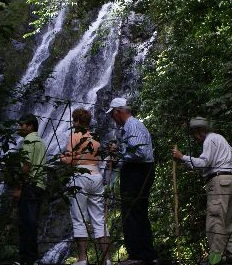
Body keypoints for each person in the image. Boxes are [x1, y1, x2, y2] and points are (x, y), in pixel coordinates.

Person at [172, 117, 232, 265]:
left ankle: (215, 260)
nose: (195, 138)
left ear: (199, 132)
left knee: (215, 222)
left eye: (194, 135)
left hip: (218, 182)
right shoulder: (220, 138)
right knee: (227, 222)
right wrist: (226, 169)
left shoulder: (209, 140)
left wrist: (182, 157)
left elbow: (204, 162)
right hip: (231, 181)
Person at [106, 97, 158, 265]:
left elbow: (139, 153)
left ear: (118, 112)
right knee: (139, 212)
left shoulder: (132, 125)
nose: (112, 119)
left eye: (112, 115)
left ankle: (136, 255)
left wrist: (120, 155)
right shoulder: (135, 124)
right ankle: (146, 253)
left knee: (131, 212)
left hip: (137, 172)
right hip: (142, 171)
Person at [60, 108, 111, 265]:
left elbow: (71, 161)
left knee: (79, 218)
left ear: (76, 121)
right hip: (96, 176)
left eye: (73, 121)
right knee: (99, 219)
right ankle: (107, 260)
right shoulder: (95, 138)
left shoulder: (75, 136)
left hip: (80, 176)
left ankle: (82, 260)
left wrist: (62, 158)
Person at [14, 114, 47, 265]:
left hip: (30, 185)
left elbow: (26, 166)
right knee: (32, 222)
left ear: (30, 126)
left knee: (26, 222)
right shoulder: (40, 141)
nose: (20, 128)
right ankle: (32, 257)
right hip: (40, 185)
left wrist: (19, 188)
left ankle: (26, 258)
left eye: (22, 125)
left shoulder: (28, 141)